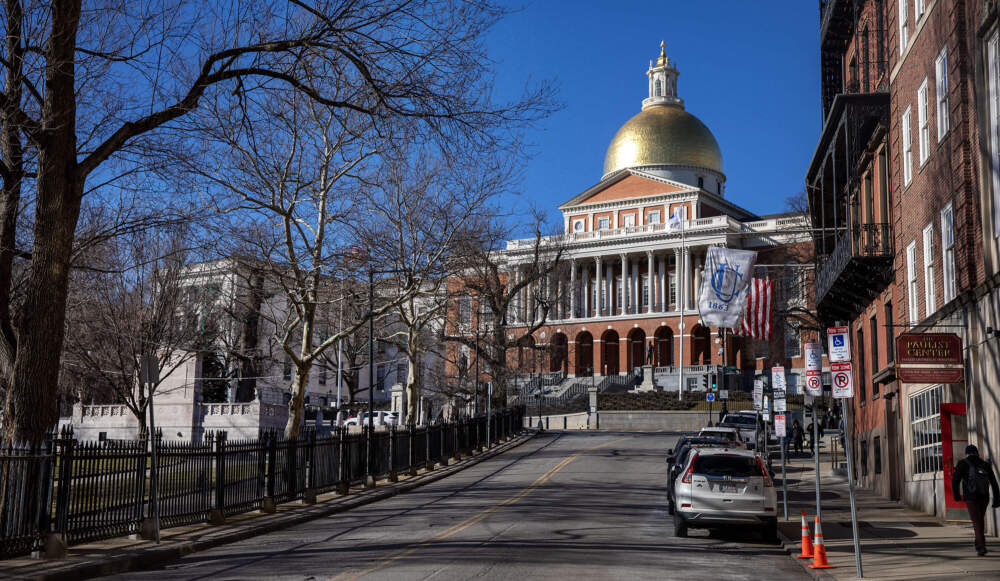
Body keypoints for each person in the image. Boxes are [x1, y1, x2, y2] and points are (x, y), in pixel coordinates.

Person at [952, 445, 1000, 556]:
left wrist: (956, 495)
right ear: (977, 453)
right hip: (984, 497)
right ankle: (978, 544)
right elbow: (994, 483)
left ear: (967, 453)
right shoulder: (985, 464)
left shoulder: (962, 463)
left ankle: (981, 547)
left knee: (976, 522)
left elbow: (955, 480)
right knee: (979, 520)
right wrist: (997, 499)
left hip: (971, 498)